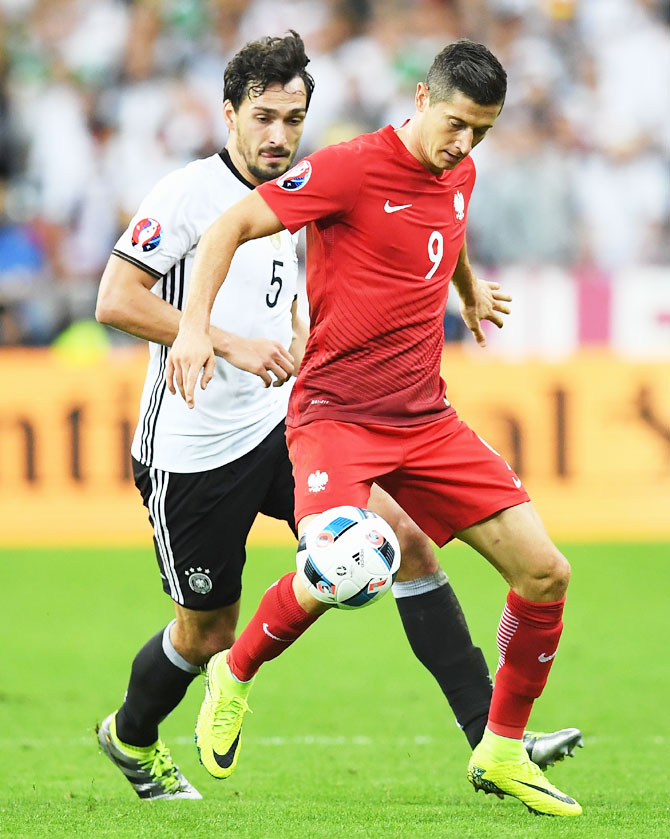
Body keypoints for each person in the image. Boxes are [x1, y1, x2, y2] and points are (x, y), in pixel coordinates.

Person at [95, 32, 580, 803]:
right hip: (192, 445)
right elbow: (114, 299)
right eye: (264, 117)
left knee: (409, 544)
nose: (279, 135)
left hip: (286, 420)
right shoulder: (190, 194)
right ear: (229, 114)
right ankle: (130, 736)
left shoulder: (336, 181)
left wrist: (460, 287)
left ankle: (491, 736)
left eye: (293, 118)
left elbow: (418, 230)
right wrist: (216, 337)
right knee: (207, 631)